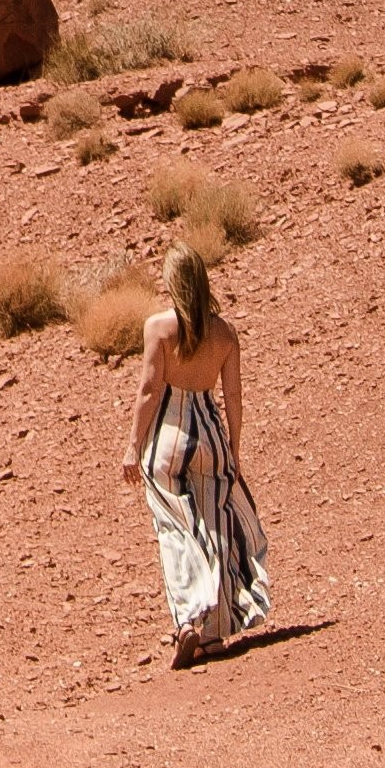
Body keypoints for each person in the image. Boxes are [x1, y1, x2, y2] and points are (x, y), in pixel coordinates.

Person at [118, 240, 270, 665]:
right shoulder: (224, 333)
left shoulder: (158, 328)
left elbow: (149, 390)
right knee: (216, 529)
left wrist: (133, 444)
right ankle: (216, 634)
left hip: (167, 439)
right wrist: (234, 452)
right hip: (211, 436)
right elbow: (234, 396)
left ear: (171, 283)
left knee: (175, 530)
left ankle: (187, 619)